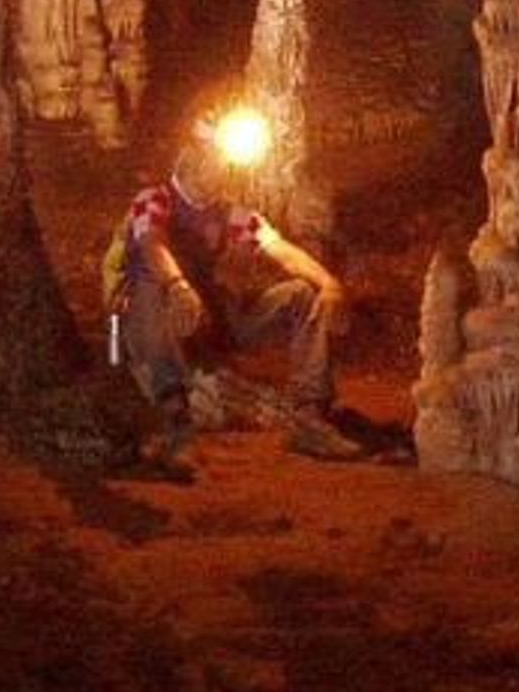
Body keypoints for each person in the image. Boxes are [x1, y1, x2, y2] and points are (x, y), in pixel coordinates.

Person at [107, 121, 354, 456]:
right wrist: (178, 286)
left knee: (300, 294)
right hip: (146, 323)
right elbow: (153, 243)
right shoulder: (154, 199)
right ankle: (173, 408)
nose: (226, 170)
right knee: (149, 281)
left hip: (203, 321)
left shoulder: (225, 212)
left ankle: (309, 408)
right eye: (217, 162)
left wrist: (329, 283)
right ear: (191, 162)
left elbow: (278, 248)